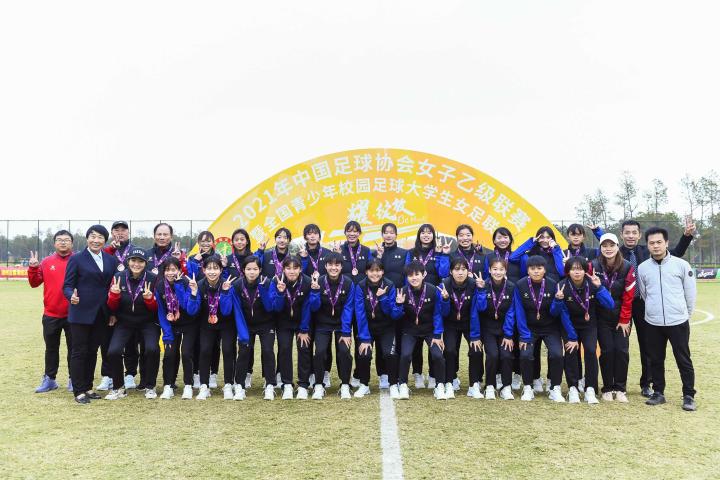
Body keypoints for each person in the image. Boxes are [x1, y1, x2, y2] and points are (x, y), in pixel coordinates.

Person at [619, 219, 695, 397]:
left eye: (634, 232)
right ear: (621, 235)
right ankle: (619, 384)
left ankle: (647, 383)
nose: (630, 236)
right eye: (627, 232)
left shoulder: (649, 250)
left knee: (648, 347)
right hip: (623, 304)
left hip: (643, 304)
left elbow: (676, 253)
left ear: (639, 235)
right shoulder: (615, 252)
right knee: (621, 346)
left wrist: (686, 236)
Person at [637, 227, 697, 411]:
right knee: (655, 359)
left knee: (683, 359)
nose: (655, 246)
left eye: (659, 242)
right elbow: (644, 294)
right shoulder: (642, 268)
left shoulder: (681, 265)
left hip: (678, 321)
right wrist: (654, 311)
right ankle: (658, 392)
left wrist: (684, 314)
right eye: (652, 243)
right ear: (647, 245)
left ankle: (688, 395)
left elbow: (690, 293)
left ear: (666, 243)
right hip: (653, 323)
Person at [62, 225, 119, 404]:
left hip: (102, 313)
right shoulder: (76, 259)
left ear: (105, 240)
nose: (96, 240)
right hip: (81, 312)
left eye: (100, 237)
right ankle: (78, 390)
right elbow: (67, 285)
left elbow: (113, 287)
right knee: (79, 351)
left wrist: (112, 312)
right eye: (93, 236)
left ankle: (88, 387)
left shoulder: (111, 260)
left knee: (93, 351)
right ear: (87, 239)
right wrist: (71, 296)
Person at [508, 255, 577, 402]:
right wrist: (524, 335)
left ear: (544, 270)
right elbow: (519, 311)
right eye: (532, 268)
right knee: (526, 354)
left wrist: (558, 300)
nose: (536, 271)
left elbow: (555, 312)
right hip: (529, 328)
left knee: (557, 355)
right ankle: (528, 387)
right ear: (527, 270)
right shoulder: (520, 285)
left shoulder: (553, 284)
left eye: (539, 268)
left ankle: (555, 388)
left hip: (550, 327)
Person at [555, 257, 614, 404]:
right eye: (573, 269)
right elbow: (561, 313)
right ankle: (573, 388)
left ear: (585, 270)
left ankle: (590, 389)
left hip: (589, 325)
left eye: (580, 269)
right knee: (571, 352)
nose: (577, 272)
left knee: (590, 351)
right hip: (569, 326)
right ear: (568, 271)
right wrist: (572, 337)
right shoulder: (562, 285)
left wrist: (600, 288)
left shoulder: (592, 283)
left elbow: (610, 304)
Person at [104, 248, 160, 400]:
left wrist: (150, 300)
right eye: (133, 260)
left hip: (147, 321)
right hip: (124, 321)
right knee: (113, 351)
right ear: (128, 261)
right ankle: (118, 387)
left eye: (140, 261)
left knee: (152, 349)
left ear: (145, 263)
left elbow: (156, 308)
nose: (136, 264)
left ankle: (150, 386)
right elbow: (112, 306)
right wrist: (114, 296)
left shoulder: (153, 278)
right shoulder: (118, 277)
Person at [309, 252, 363, 400]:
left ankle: (345, 384)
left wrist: (346, 332)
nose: (334, 268)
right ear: (325, 266)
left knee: (344, 352)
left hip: (341, 324)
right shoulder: (319, 281)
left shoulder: (348, 283)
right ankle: (318, 385)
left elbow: (348, 308)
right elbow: (314, 307)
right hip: (322, 324)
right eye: (330, 265)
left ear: (341, 266)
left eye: (337, 265)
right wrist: (315, 291)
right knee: (320, 352)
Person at [393, 261, 450, 400]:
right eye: (410, 275)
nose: (414, 278)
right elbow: (396, 316)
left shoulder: (432, 290)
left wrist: (437, 335)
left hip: (430, 330)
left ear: (424, 274)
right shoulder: (402, 291)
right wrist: (398, 305)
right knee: (405, 355)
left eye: (417, 274)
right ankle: (403, 385)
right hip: (410, 330)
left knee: (438, 355)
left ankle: (440, 385)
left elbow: (438, 314)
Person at [28, 230, 74, 393]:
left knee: (74, 349)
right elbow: (34, 283)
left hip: (74, 314)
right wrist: (33, 268)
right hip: (51, 314)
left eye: (66, 240)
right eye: (59, 240)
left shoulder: (77, 260)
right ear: (54, 243)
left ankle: (74, 379)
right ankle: (50, 379)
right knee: (51, 348)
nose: (63, 242)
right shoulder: (47, 262)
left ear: (72, 243)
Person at [268, 255, 321, 400]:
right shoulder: (276, 281)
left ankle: (303, 385)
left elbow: (309, 307)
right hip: (283, 322)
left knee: (304, 349)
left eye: (295, 268)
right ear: (283, 269)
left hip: (303, 322)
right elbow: (275, 308)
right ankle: (287, 385)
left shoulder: (307, 282)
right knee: (284, 349)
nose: (292, 271)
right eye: (288, 268)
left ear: (300, 269)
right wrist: (280, 293)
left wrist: (304, 329)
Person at [406, 224, 451, 389]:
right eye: (423, 233)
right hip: (414, 296)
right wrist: (408, 293)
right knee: (415, 342)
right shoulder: (411, 253)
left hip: (433, 297)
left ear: (433, 235)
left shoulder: (437, 252)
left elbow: (444, 273)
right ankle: (417, 373)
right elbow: (407, 274)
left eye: (429, 233)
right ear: (419, 235)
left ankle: (433, 375)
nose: (426, 235)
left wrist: (442, 255)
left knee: (433, 340)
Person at [592, 233, 635, 402]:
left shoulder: (627, 266)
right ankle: (607, 388)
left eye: (612, 245)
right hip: (601, 316)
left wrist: (624, 319)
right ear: (600, 248)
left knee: (622, 351)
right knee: (607, 351)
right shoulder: (593, 265)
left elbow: (629, 296)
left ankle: (620, 388)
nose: (608, 249)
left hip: (621, 317)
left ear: (618, 247)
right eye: (604, 245)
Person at [228, 256, 275, 400]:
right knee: (244, 352)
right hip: (246, 324)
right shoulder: (237, 285)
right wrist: (242, 332)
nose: (252, 272)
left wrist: (262, 289)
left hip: (266, 323)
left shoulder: (267, 282)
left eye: (255, 269)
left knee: (268, 351)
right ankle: (240, 386)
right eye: (248, 269)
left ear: (260, 270)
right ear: (243, 270)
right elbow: (236, 310)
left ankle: (269, 385)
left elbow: (270, 307)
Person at [104, 220, 141, 391]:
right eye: (116, 230)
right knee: (108, 341)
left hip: (131, 301)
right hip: (110, 301)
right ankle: (108, 375)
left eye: (123, 230)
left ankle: (130, 374)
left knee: (132, 342)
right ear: (112, 233)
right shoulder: (106, 251)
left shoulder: (135, 251)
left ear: (128, 232)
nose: (120, 233)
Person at [440, 257, 484, 399]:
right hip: (451, 323)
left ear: (468, 271)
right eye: (457, 269)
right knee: (450, 350)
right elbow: (443, 313)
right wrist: (445, 300)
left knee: (476, 350)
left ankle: (474, 385)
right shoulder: (445, 284)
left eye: (463, 269)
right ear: (451, 271)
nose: (460, 273)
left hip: (469, 323)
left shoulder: (473, 284)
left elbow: (478, 310)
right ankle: (449, 382)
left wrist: (476, 336)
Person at [354, 259, 399, 397]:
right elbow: (360, 313)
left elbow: (391, 312)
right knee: (364, 354)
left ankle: (393, 384)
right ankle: (364, 384)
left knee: (390, 354)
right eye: (371, 270)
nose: (375, 274)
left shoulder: (389, 285)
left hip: (387, 327)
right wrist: (364, 338)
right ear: (366, 272)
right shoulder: (360, 286)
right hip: (368, 327)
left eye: (378, 270)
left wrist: (383, 297)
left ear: (383, 271)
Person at [156, 257, 199, 400]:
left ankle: (188, 385)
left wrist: (179, 286)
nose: (170, 273)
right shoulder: (160, 286)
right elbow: (161, 312)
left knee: (186, 353)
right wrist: (167, 333)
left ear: (179, 270)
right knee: (169, 354)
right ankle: (168, 385)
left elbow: (188, 307)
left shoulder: (186, 282)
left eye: (173, 269)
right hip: (171, 325)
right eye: (167, 270)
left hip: (189, 324)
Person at [195, 255, 235, 400]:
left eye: (216, 268)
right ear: (203, 270)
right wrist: (193, 293)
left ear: (221, 270)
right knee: (205, 350)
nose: (212, 272)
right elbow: (193, 310)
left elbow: (227, 311)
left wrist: (225, 292)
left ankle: (228, 384)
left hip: (227, 323)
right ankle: (204, 386)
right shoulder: (199, 285)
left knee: (228, 350)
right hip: (206, 323)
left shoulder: (227, 284)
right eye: (209, 268)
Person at [477, 256, 516, 400]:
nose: (498, 272)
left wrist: (508, 335)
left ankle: (506, 386)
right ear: (489, 270)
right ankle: (490, 386)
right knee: (492, 355)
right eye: (494, 269)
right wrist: (481, 290)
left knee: (506, 355)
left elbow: (512, 312)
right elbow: (480, 308)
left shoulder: (511, 287)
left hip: (505, 328)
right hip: (488, 327)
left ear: (505, 271)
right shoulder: (484, 284)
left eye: (501, 269)